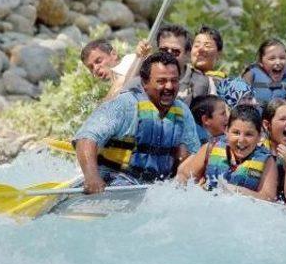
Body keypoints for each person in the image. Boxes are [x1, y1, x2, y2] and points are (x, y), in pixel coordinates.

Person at [73, 51, 200, 194]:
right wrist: (92, 178)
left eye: (174, 80)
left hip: (155, 189)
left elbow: (194, 155)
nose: (169, 87)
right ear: (145, 83)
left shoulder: (182, 111)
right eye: (161, 81)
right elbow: (85, 138)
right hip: (113, 183)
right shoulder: (125, 104)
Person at [177, 104, 278, 201]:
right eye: (236, 133)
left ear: (259, 136)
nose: (241, 140)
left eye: (249, 134)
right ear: (226, 131)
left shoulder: (268, 162)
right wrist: (197, 191)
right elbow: (184, 178)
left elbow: (268, 199)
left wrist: (237, 191)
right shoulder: (210, 148)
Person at [242, 39, 286, 108]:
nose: (278, 62)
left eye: (282, 58)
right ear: (260, 62)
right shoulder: (251, 74)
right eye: (272, 58)